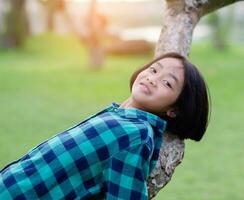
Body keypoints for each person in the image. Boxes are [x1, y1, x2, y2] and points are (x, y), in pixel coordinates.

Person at [0, 52, 210, 199]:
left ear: (174, 110)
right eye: (154, 70)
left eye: (167, 83)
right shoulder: (119, 115)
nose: (153, 79)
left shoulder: (137, 134)